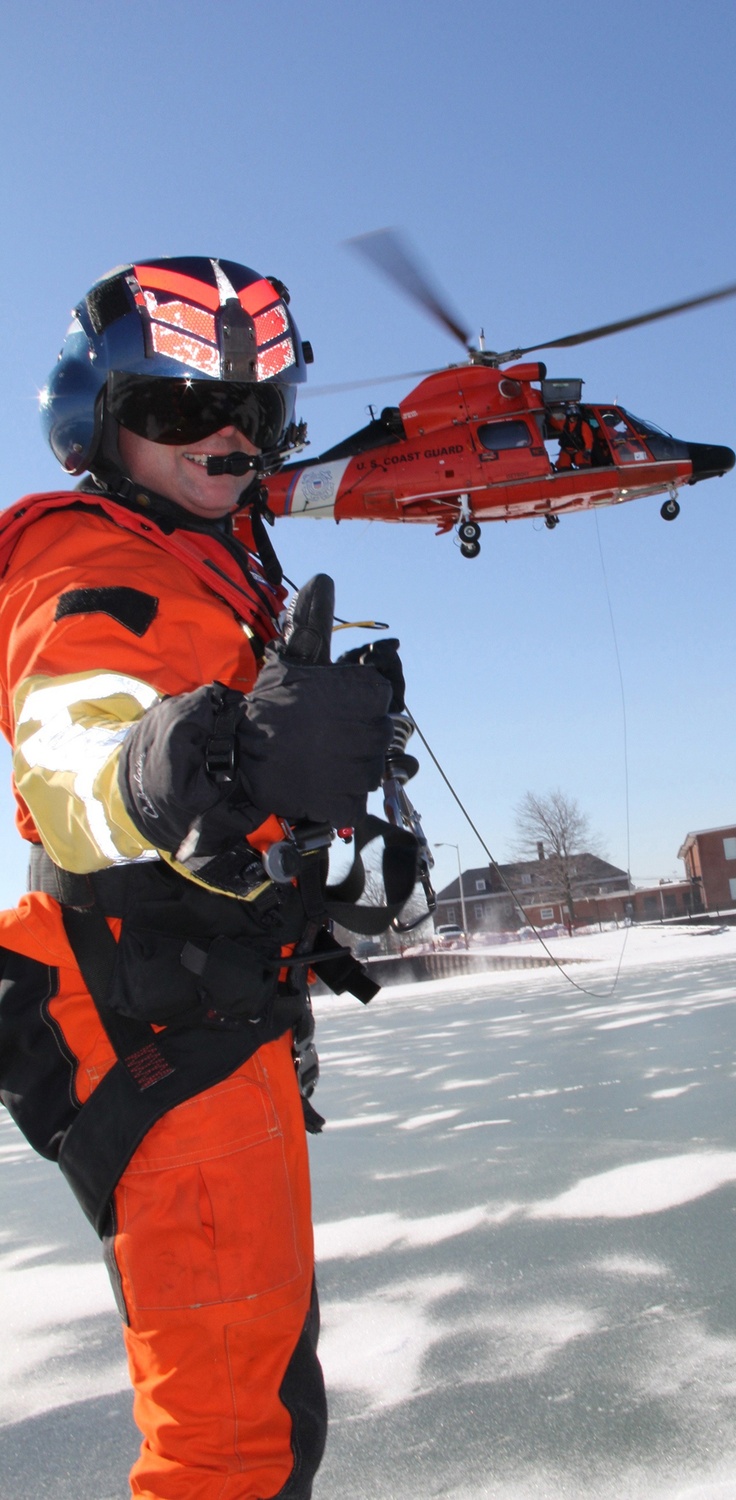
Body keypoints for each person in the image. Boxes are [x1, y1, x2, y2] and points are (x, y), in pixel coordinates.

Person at [0, 257, 403, 1499]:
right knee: (232, 1443)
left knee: (265, 1404)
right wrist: (208, 762)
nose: (227, 440)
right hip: (155, 1026)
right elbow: (71, 738)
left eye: (258, 415)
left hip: (213, 1009)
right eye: (181, 411)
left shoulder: (211, 560)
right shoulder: (83, 557)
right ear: (103, 422)